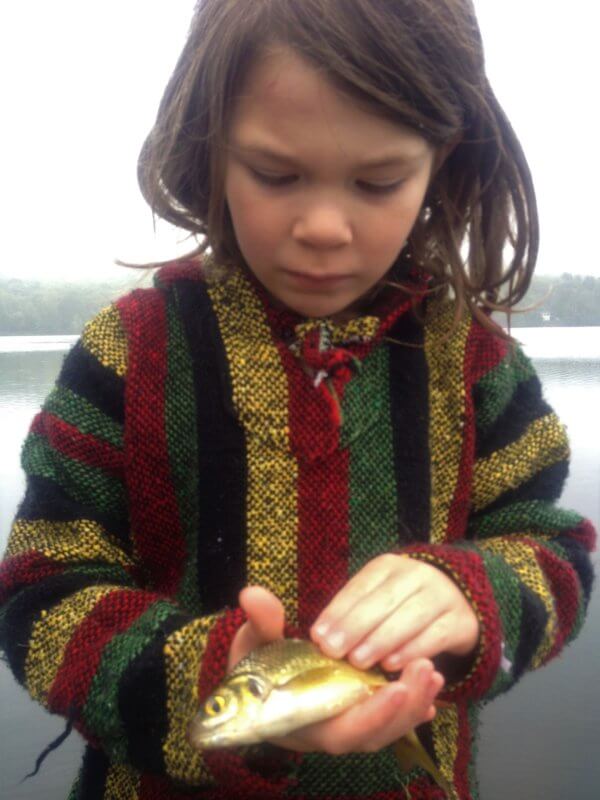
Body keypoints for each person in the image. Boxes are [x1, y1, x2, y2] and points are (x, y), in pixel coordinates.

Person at [0, 1, 596, 798]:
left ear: (440, 162)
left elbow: (557, 556)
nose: (323, 227)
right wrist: (227, 682)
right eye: (275, 174)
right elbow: (40, 597)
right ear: (210, 151)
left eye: (378, 180)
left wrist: (474, 593)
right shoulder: (130, 353)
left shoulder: (477, 364)